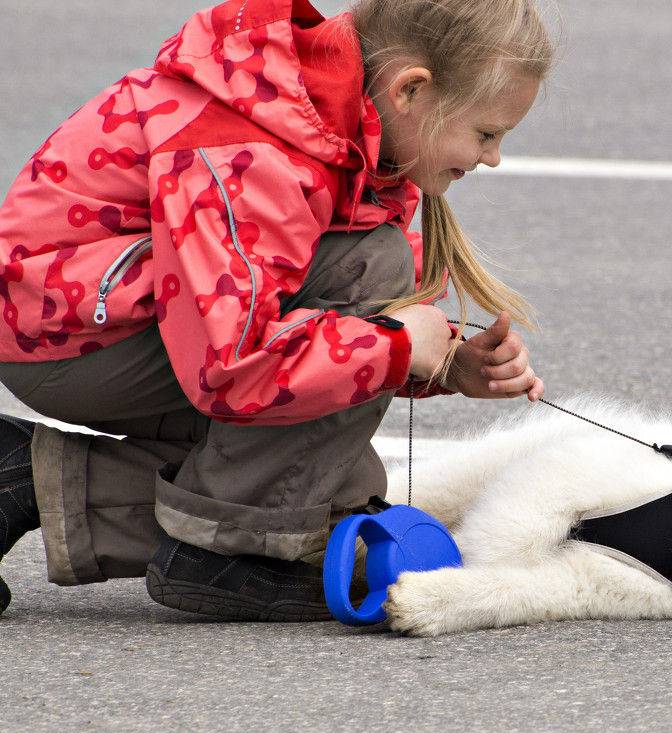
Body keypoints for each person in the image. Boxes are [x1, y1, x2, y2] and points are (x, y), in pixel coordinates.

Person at [0, 0, 555, 620]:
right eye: (486, 133)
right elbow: (230, 366)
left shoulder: (355, 134)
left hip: (140, 327)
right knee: (373, 273)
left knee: (341, 494)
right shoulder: (249, 151)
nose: (493, 157)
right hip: (66, 339)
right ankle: (224, 556)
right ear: (411, 91)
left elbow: (311, 310)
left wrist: (443, 362)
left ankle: (23, 476)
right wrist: (397, 347)